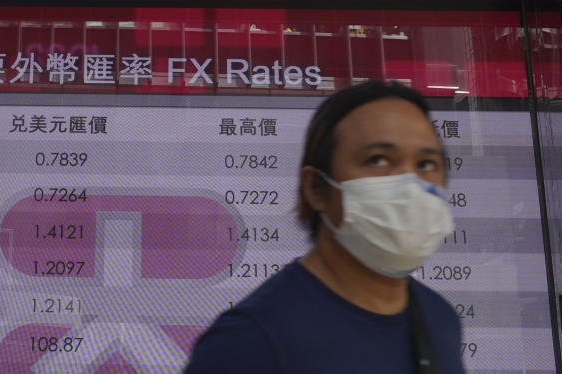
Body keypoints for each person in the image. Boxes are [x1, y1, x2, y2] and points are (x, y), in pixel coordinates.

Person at [185, 80, 464, 373]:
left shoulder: (439, 319)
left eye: (426, 163)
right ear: (316, 188)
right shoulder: (248, 342)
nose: (411, 186)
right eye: (378, 160)